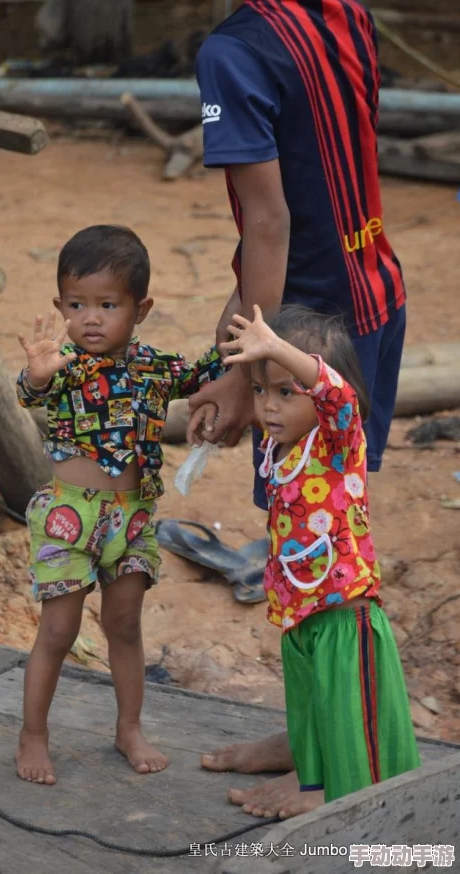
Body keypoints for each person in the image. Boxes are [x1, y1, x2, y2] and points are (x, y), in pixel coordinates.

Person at [190, 0, 407, 816]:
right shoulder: (342, 11)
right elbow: (315, 196)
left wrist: (251, 368)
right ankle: (308, 732)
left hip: (302, 340)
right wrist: (234, 342)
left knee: (322, 564)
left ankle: (331, 773)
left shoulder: (232, 53)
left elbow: (271, 221)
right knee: (308, 537)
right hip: (370, 303)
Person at [15, 225, 222, 784]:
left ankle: (128, 727)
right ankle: (33, 735)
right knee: (58, 631)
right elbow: (30, 390)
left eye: (108, 305)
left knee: (124, 624)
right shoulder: (61, 365)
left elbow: (204, 374)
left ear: (140, 309)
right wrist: (36, 375)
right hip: (68, 518)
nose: (91, 318)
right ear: (60, 306)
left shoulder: (155, 367)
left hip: (132, 518)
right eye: (76, 304)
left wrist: (240, 341)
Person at [217, 302, 419, 811]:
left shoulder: (338, 440)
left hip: (345, 616)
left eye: (287, 392)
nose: (269, 407)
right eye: (260, 390)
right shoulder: (280, 448)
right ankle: (311, 780)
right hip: (300, 614)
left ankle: (339, 794)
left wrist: (277, 348)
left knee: (351, 714)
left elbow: (339, 395)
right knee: (312, 709)